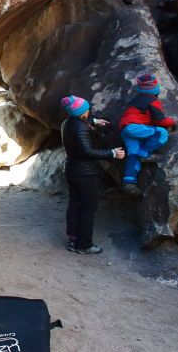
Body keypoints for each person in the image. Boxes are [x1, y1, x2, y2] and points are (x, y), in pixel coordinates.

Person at [60, 95, 125, 255]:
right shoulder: (80, 127)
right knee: (88, 207)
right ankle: (84, 245)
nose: (89, 111)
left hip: (72, 170)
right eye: (87, 109)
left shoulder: (67, 122)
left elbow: (79, 127)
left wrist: (94, 122)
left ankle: (73, 237)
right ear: (82, 113)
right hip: (85, 174)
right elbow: (87, 151)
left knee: (75, 203)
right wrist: (112, 153)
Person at [118, 73, 178, 185]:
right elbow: (159, 120)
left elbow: (144, 118)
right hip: (134, 127)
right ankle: (145, 154)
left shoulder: (134, 100)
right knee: (161, 133)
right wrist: (174, 121)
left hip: (124, 129)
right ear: (155, 89)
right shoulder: (153, 101)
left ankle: (129, 182)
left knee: (133, 153)